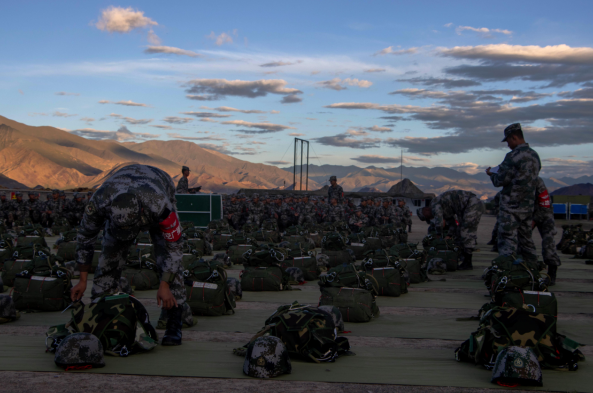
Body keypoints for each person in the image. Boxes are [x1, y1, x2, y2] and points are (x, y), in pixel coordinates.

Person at [71, 164, 186, 346]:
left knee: (167, 258)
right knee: (109, 257)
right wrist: (82, 280)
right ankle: (101, 312)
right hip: (121, 193)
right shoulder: (100, 201)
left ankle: (174, 319)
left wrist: (164, 284)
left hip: (159, 182)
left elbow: (175, 247)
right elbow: (85, 238)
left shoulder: (160, 205)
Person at [486, 123, 541, 262]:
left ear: (514, 137)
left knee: (507, 240)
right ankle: (531, 271)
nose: (508, 145)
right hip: (527, 207)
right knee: (526, 240)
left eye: (508, 141)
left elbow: (500, 180)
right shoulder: (535, 156)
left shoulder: (513, 156)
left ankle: (507, 272)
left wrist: (491, 174)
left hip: (511, 207)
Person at [417, 190, 485, 270]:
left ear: (425, 212)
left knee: (466, 231)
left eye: (428, 218)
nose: (431, 218)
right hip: (465, 208)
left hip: (472, 204)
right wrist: (449, 235)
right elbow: (452, 224)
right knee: (459, 232)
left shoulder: (434, 204)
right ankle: (462, 257)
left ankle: (468, 262)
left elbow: (439, 223)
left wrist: (438, 235)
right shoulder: (443, 208)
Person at [533, 177, 561, 285]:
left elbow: (545, 204)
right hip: (528, 214)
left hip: (545, 216)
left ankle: (551, 275)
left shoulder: (538, 182)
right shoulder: (516, 180)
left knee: (548, 244)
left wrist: (534, 220)